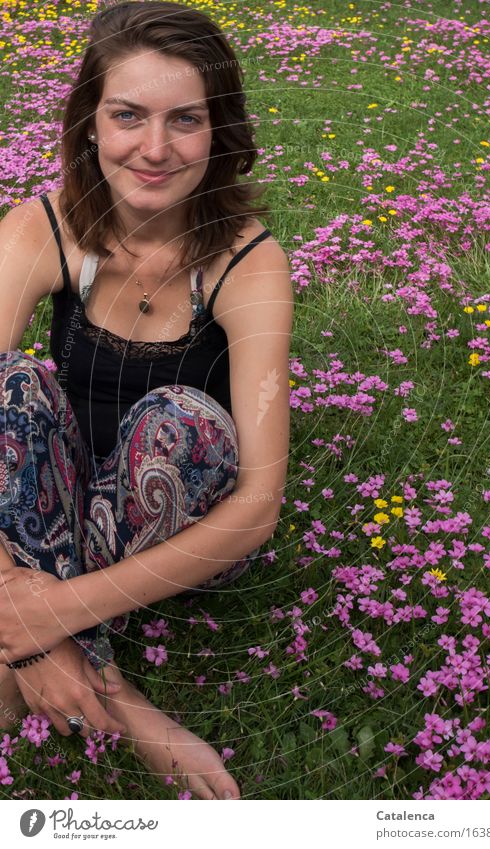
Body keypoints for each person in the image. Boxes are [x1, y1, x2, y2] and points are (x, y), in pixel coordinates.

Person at [0, 1, 293, 800]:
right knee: (14, 383)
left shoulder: (249, 264)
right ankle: (111, 695)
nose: (155, 150)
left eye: (185, 121)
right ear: (88, 125)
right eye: (128, 115)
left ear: (220, 131)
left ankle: (43, 666)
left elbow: (259, 505)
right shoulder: (41, 229)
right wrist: (24, 629)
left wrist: (44, 608)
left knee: (183, 423)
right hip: (54, 507)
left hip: (173, 519)